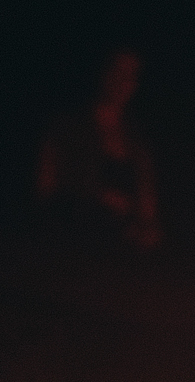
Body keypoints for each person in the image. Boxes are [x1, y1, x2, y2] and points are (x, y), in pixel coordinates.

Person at [36, 47, 161, 251]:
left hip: (127, 244)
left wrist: (147, 224)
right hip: (74, 240)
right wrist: (98, 197)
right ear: (102, 72)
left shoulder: (135, 134)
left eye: (131, 75)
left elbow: (146, 192)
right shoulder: (67, 126)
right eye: (117, 72)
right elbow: (45, 189)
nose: (124, 82)